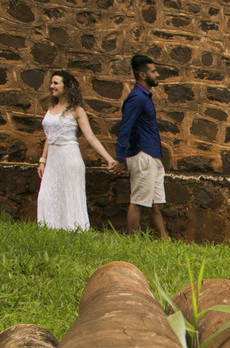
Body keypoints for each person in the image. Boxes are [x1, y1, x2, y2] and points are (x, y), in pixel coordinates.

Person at [36, 70, 116, 231]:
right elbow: (49, 137)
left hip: (69, 156)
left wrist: (109, 158)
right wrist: (42, 160)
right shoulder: (51, 108)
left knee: (70, 195)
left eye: (56, 83)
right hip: (53, 160)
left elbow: (91, 137)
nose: (52, 86)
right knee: (46, 196)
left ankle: (74, 231)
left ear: (67, 86)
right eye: (51, 83)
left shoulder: (76, 110)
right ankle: (49, 230)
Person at [111, 54, 167, 238]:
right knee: (138, 203)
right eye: (153, 71)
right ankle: (132, 242)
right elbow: (125, 128)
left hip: (153, 155)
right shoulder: (136, 98)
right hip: (143, 155)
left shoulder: (144, 97)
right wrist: (120, 158)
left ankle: (166, 242)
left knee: (156, 205)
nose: (157, 74)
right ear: (142, 75)